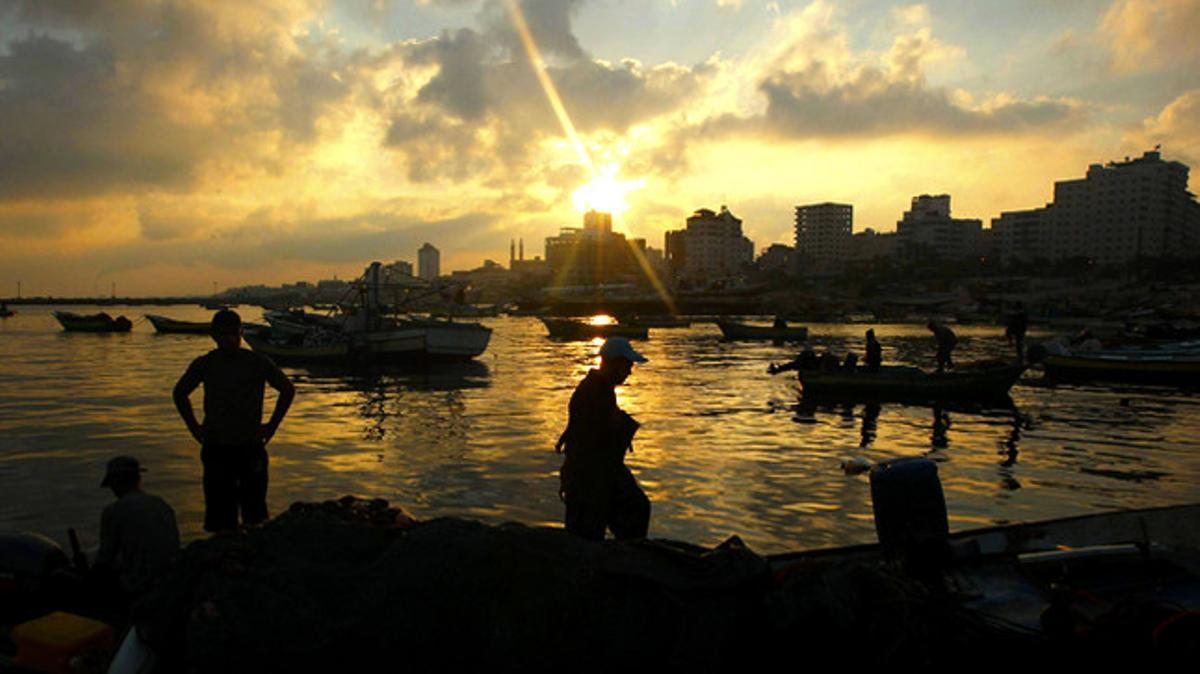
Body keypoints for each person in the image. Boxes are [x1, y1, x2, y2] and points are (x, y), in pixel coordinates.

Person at [174, 309, 295, 532]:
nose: (229, 339)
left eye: (233, 334)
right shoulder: (205, 363)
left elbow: (287, 390)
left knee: (255, 513)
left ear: (240, 333)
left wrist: (271, 426)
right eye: (223, 334)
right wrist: (194, 428)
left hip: (249, 444)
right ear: (214, 336)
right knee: (220, 515)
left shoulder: (257, 361)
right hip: (216, 445)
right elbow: (179, 393)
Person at [555, 337, 650, 541]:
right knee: (587, 536)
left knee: (636, 508)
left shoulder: (600, 389)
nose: (629, 372)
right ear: (615, 363)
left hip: (596, 473)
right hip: (589, 476)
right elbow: (594, 441)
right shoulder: (594, 391)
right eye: (627, 366)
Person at [93, 456, 179, 602]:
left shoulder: (114, 511)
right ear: (138, 479)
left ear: (115, 483)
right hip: (171, 580)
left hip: (138, 586)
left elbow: (105, 558)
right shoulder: (161, 504)